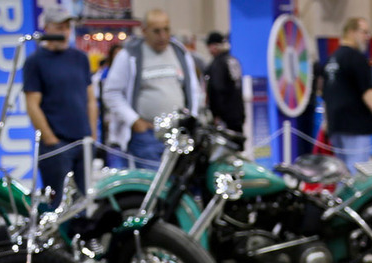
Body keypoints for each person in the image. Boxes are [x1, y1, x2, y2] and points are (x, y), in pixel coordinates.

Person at [102, 9, 204, 170]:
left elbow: (194, 90)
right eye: (156, 31)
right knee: (153, 186)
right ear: (144, 31)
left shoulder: (180, 53)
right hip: (147, 136)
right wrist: (134, 121)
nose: (163, 36)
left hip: (178, 133)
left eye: (166, 29)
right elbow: (111, 92)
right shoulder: (129, 55)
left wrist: (192, 118)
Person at [25, 4, 96, 199]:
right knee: (58, 203)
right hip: (57, 145)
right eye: (59, 27)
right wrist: (51, 139)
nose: (64, 32)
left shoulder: (80, 58)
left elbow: (90, 98)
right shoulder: (36, 61)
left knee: (83, 201)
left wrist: (92, 135)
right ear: (47, 27)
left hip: (83, 141)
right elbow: (32, 104)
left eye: (67, 27)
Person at [322, 17, 372, 171]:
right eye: (364, 32)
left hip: (337, 125)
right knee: (356, 172)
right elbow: (368, 91)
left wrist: (327, 121)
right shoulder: (356, 59)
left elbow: (326, 94)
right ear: (351, 32)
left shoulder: (332, 59)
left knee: (343, 172)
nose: (367, 37)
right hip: (355, 127)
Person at [204, 31, 244, 134]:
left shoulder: (218, 64)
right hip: (238, 113)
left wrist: (216, 114)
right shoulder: (233, 60)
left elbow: (218, 89)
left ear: (214, 46)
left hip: (225, 117)